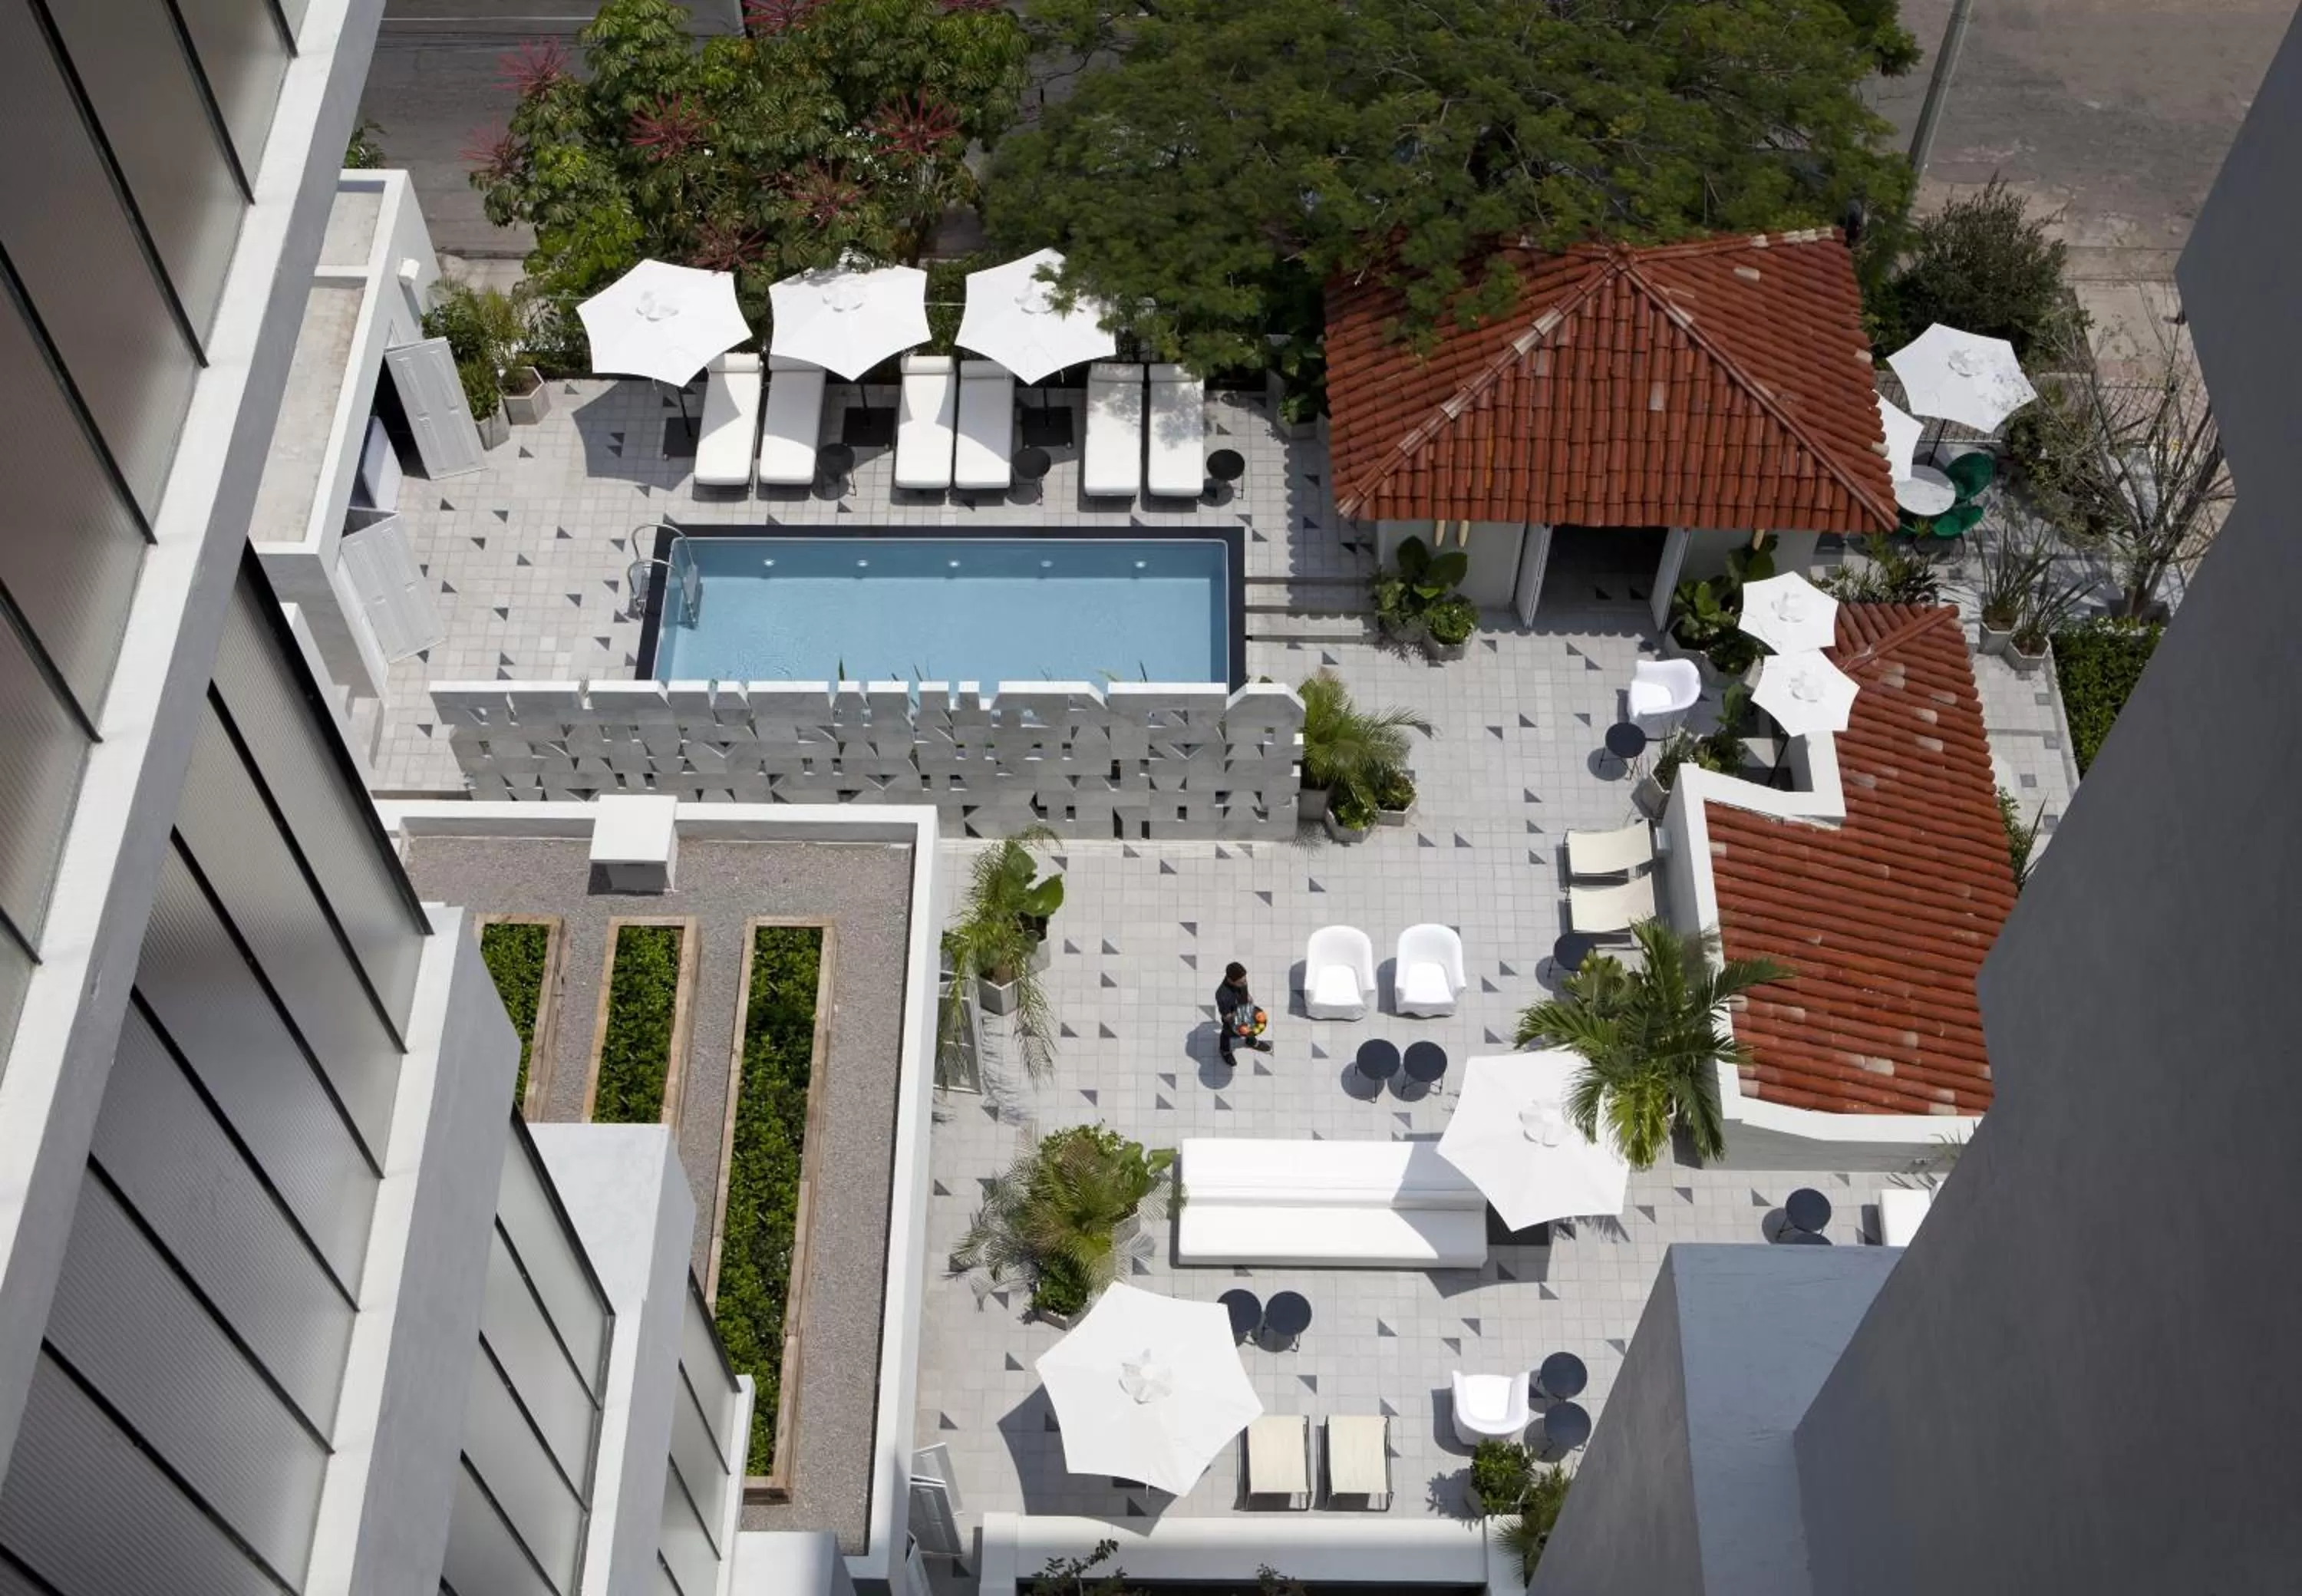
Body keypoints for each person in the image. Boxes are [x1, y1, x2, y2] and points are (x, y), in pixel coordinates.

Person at [1215, 961, 1271, 1067]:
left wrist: (1248, 998)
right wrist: (1240, 1019)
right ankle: (1225, 1050)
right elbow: (1226, 1016)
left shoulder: (1240, 980)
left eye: (1245, 980)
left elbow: (1244, 989)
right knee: (1227, 1033)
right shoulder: (1223, 995)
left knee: (1251, 1029)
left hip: (1244, 1009)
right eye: (1241, 983)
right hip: (1233, 1019)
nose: (1244, 983)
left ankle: (1251, 1042)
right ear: (1230, 980)